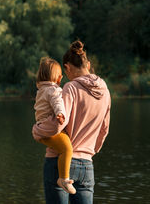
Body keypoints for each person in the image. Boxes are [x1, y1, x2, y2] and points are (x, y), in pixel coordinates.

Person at [32, 40, 111, 204]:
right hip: (87, 166)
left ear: (67, 67)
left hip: (59, 163)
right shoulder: (105, 89)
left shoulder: (70, 88)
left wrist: (37, 130)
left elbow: (57, 124)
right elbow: (104, 129)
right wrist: (88, 152)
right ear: (87, 65)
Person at [33, 57, 76, 194]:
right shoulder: (53, 90)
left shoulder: (41, 90)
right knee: (67, 149)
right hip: (50, 129)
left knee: (62, 145)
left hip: (42, 128)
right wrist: (61, 113)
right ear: (58, 78)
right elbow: (57, 102)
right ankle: (63, 179)